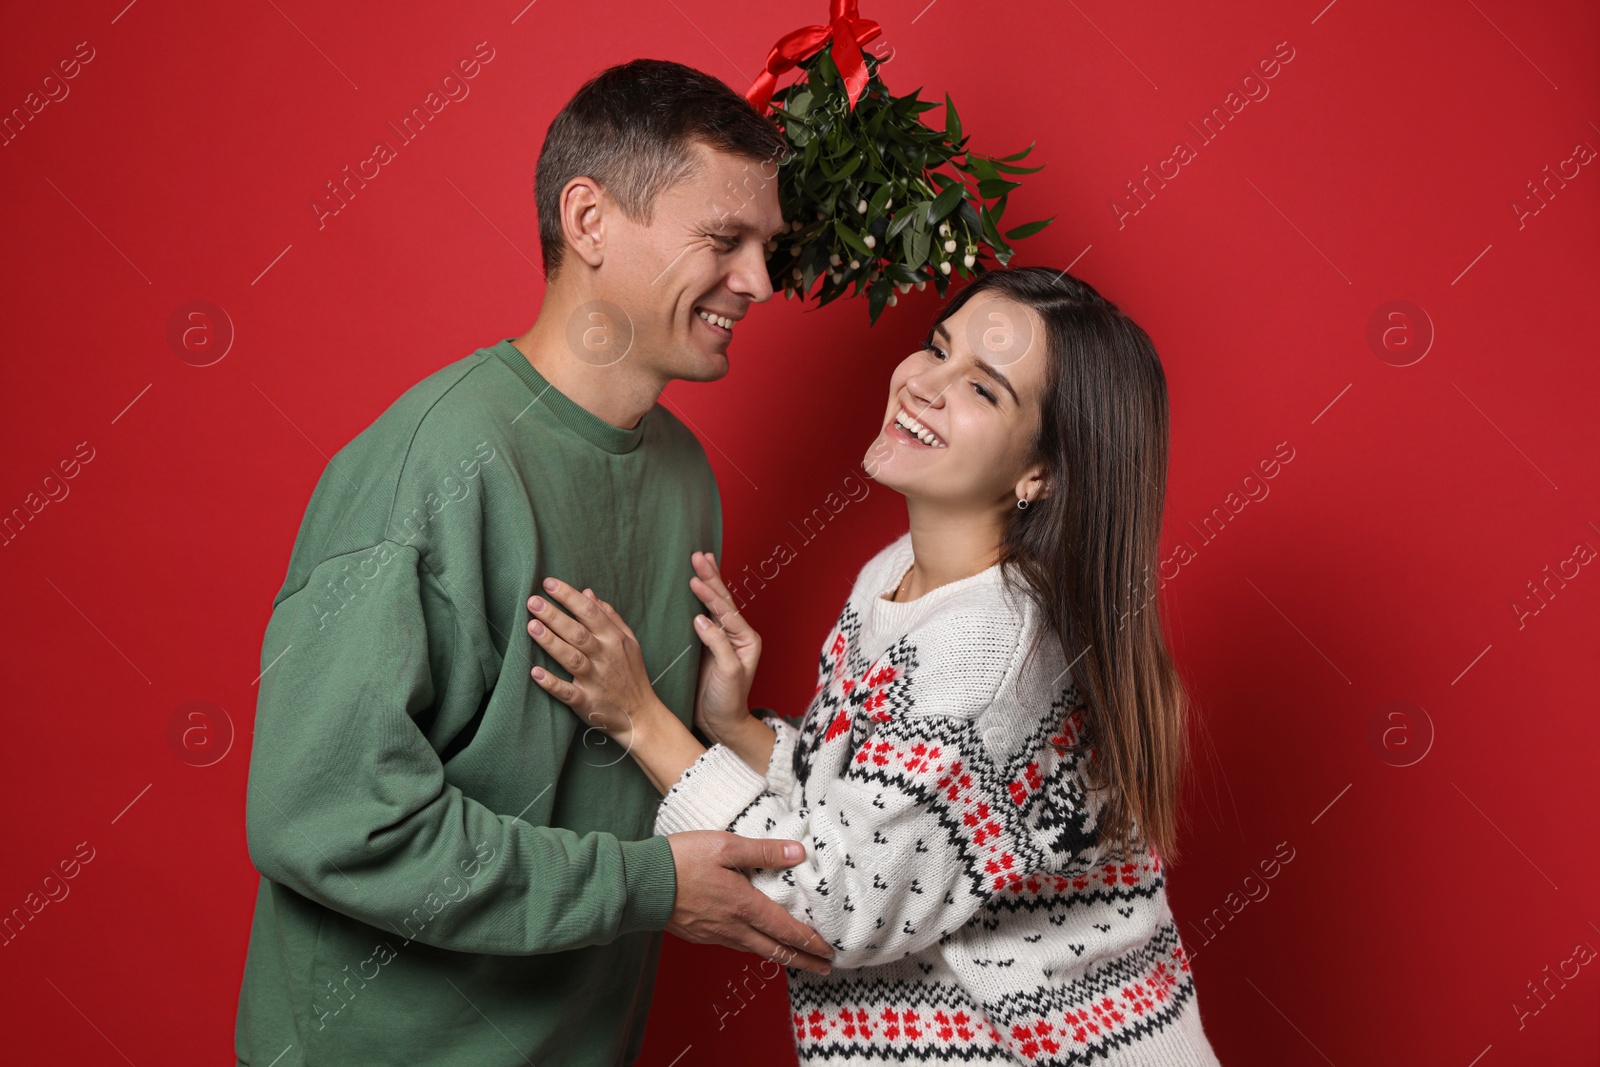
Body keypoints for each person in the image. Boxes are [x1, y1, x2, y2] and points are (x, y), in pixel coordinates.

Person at [235, 59, 838, 1067]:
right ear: (589, 220)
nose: (760, 283)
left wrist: (719, 723)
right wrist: (644, 885)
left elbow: (591, 767)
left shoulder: (685, 470)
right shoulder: (429, 468)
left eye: (765, 249)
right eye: (723, 240)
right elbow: (330, 819)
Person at [526, 266, 1225, 1064]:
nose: (924, 384)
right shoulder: (900, 574)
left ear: (1042, 472)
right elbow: (874, 810)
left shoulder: (989, 650)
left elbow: (836, 902)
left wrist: (640, 719)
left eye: (984, 390)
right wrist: (735, 729)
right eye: (937, 347)